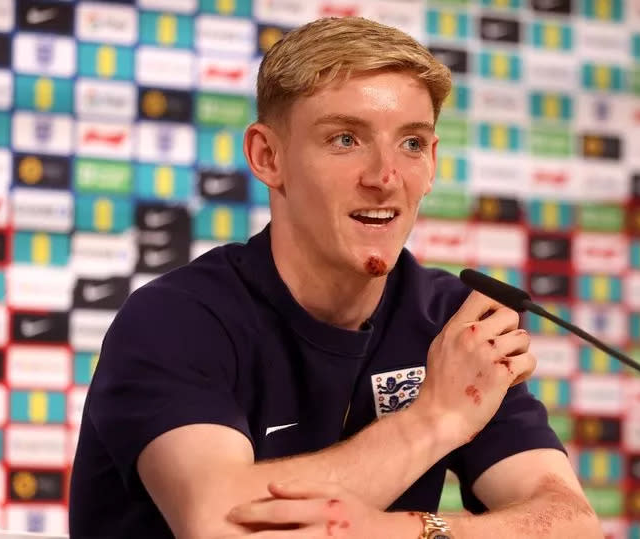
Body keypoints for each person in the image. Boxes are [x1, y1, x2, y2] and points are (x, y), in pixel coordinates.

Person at [69, 16, 601, 539]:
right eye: (346, 139)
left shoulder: (452, 319)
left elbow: (570, 522)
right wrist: (435, 418)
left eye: (412, 143)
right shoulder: (175, 318)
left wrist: (408, 532)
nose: (385, 178)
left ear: (433, 161)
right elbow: (222, 527)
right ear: (268, 156)